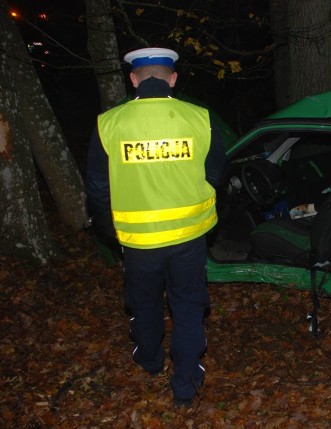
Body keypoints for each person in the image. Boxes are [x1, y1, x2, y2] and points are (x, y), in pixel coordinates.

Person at [85, 47, 227, 407]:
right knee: (188, 307)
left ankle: (149, 361)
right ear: (173, 79)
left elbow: (98, 189)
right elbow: (217, 175)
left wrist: (109, 232)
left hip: (137, 243)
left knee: (144, 304)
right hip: (189, 239)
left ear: (133, 79)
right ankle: (185, 384)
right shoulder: (200, 118)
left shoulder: (109, 124)